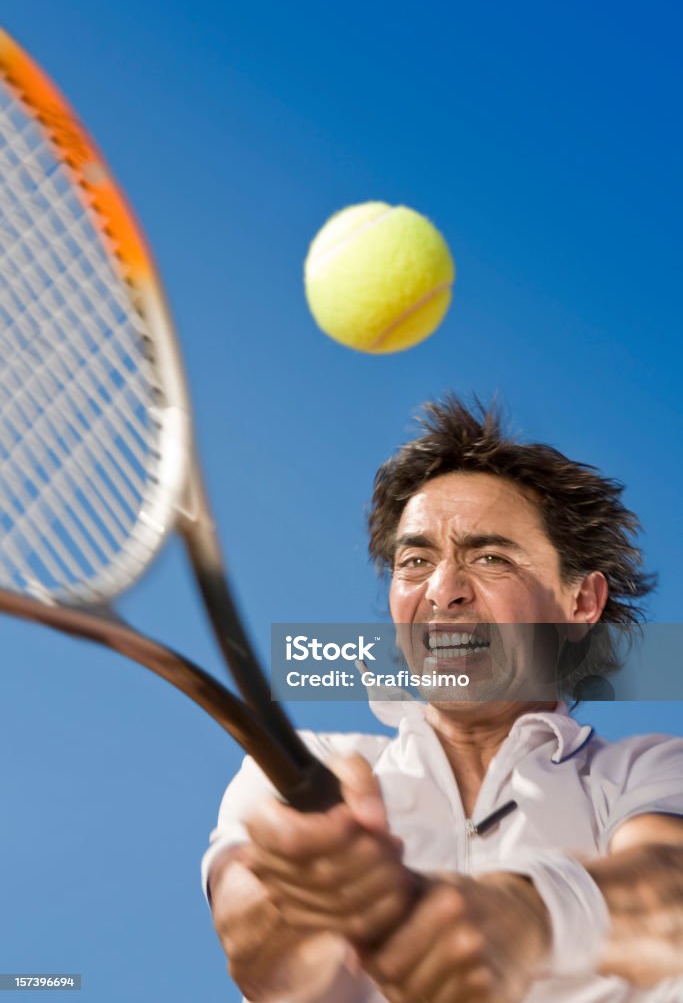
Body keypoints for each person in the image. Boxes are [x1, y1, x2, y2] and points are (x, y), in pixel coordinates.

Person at [202, 395, 683, 1003]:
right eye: (415, 560)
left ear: (580, 603)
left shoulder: (651, 771)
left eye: (490, 557)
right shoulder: (306, 768)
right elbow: (265, 967)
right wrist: (312, 898)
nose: (442, 590)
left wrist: (527, 917)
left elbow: (670, 898)